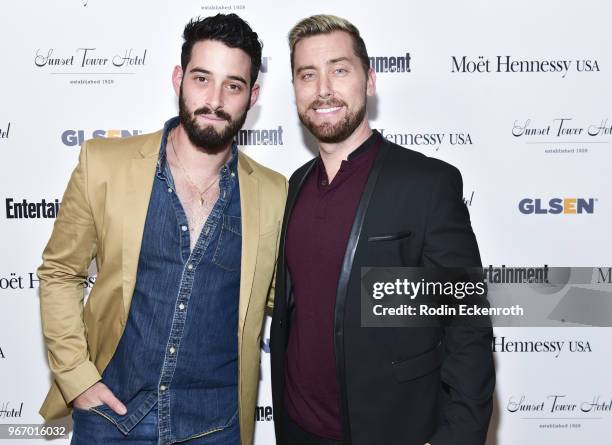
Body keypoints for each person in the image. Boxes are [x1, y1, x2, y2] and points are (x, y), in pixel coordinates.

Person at [37, 13, 286, 445]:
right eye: (202, 78)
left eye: (233, 85)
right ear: (179, 79)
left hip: (215, 426)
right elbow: (60, 272)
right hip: (110, 418)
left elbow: (285, 301)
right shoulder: (104, 164)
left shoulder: (274, 192)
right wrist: (77, 379)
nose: (215, 99)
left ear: (253, 96)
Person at [270, 14, 494, 445]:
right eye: (307, 75)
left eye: (339, 70)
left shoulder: (426, 183)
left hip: (392, 431)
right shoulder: (295, 184)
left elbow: (467, 325)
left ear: (369, 80)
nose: (323, 90)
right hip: (298, 429)